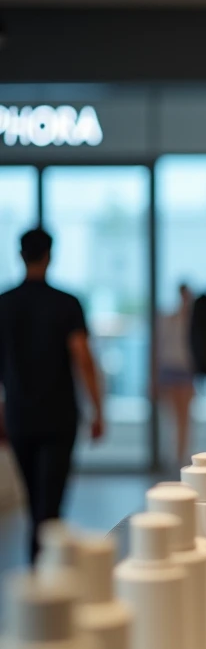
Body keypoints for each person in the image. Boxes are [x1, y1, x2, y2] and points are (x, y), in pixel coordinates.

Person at [0, 229, 105, 562]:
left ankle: (39, 564)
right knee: (51, 501)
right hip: (59, 416)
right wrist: (98, 409)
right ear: (50, 256)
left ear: (20, 255)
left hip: (19, 415)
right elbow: (83, 358)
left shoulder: (4, 304)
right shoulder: (66, 303)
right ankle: (45, 565)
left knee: (35, 499)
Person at [158, 283, 196, 467]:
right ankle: (173, 454)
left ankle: (181, 454)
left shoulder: (193, 321)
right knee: (172, 417)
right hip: (170, 369)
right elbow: (160, 347)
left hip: (186, 370)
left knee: (184, 417)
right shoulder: (169, 319)